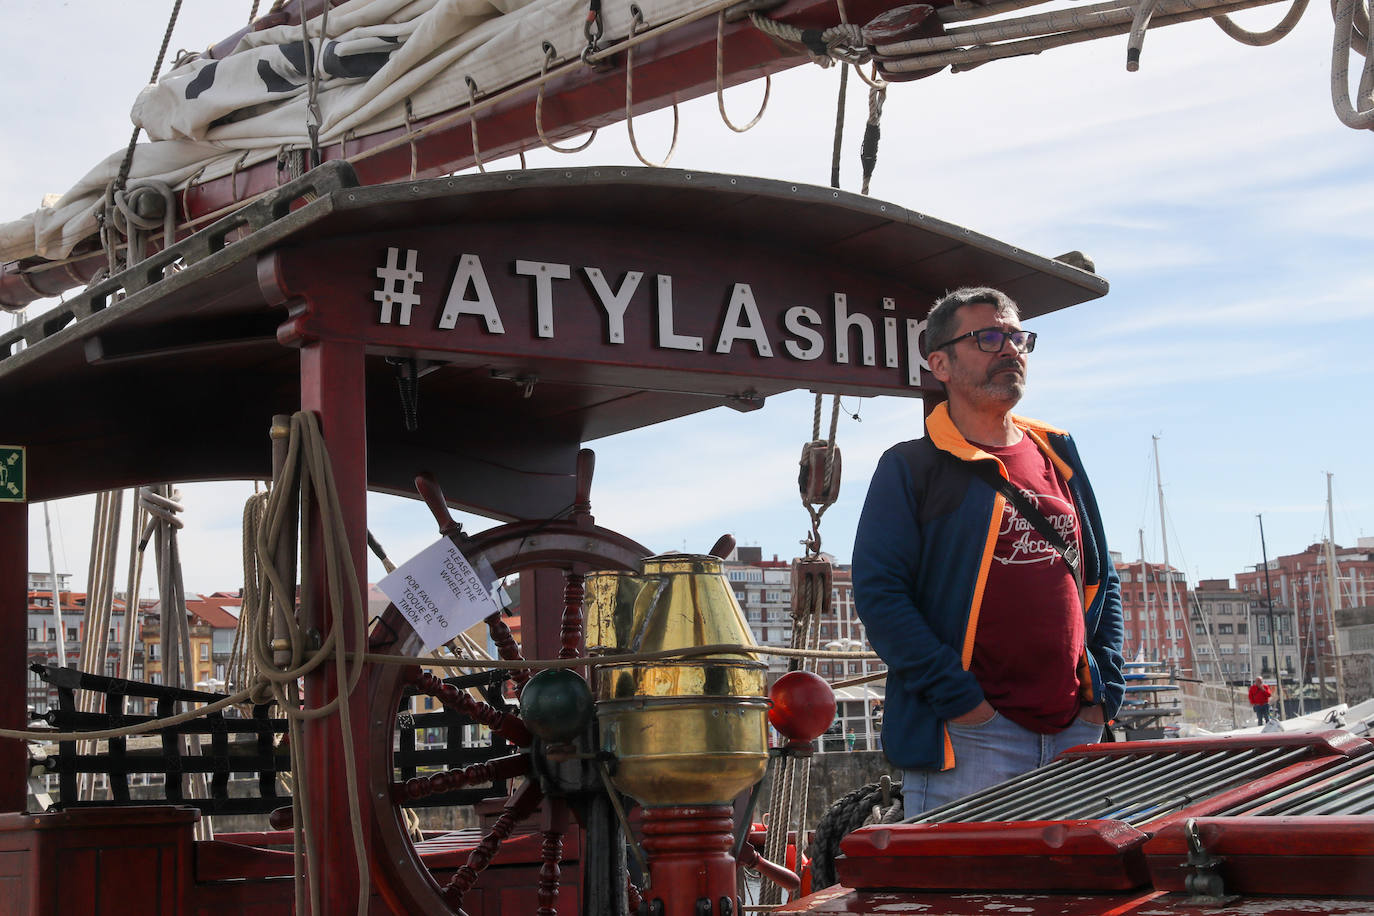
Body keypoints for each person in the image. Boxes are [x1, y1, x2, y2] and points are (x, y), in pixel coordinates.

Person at [852, 286, 1124, 816]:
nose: (1010, 350)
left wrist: (1102, 693)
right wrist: (963, 705)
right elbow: (880, 595)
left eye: (1017, 338)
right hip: (970, 741)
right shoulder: (911, 468)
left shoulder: (1058, 453)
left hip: (1075, 731)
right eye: (988, 338)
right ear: (940, 363)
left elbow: (1102, 577)